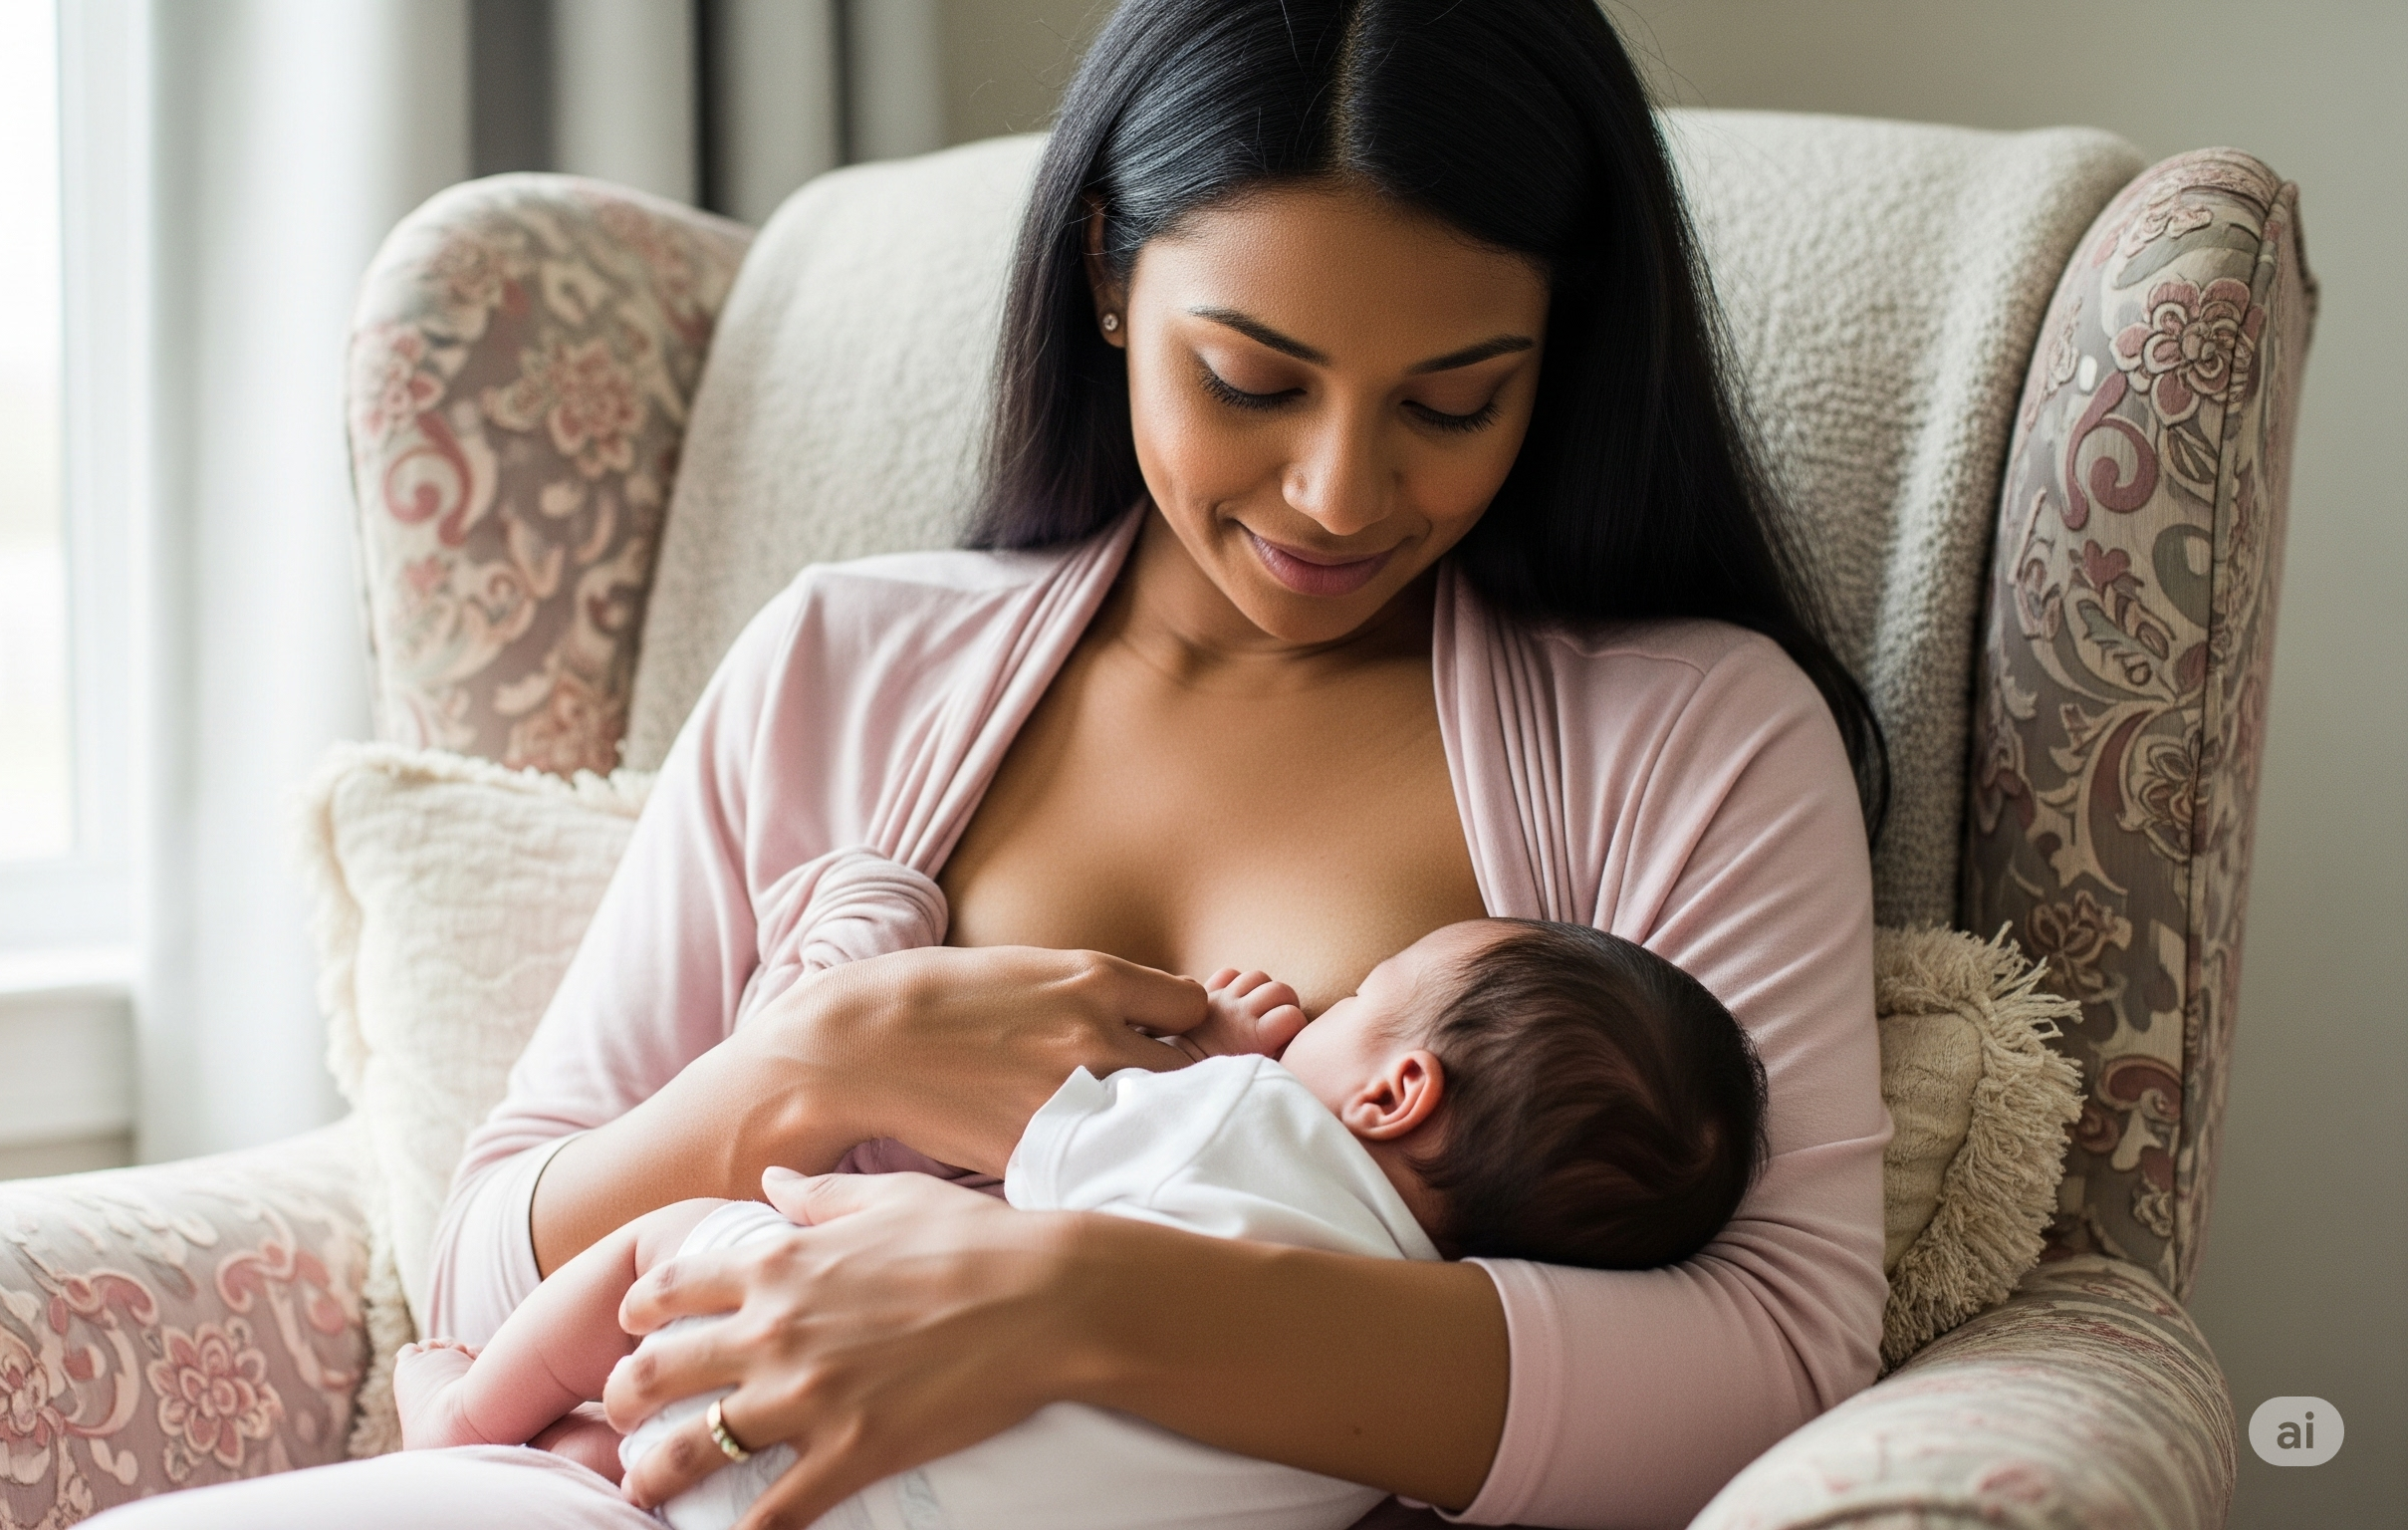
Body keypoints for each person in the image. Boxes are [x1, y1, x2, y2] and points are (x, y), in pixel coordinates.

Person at [93, 2, 1890, 1526]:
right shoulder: (843, 664)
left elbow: (1780, 1352)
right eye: (1253, 381)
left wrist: (1074, 1296)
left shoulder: (1690, 738)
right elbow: (484, 1257)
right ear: (1110, 276)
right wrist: (819, 1058)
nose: (1344, 491)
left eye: (1451, 400)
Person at [390, 918, 1768, 1530]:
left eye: (1363, 994)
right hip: (900, 1505)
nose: (1323, 1005)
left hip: (801, 1404)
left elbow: (1048, 1131)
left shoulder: (1248, 1119)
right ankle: (568, 1453)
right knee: (643, 1446)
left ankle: (465, 1419)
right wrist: (809, 1052)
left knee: (658, 1251)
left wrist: (1222, 1045)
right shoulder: (1389, 1436)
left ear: (1397, 1091)